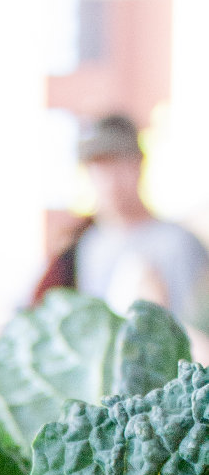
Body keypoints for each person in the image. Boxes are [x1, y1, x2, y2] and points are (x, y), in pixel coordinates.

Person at [33, 114, 209, 320]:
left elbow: (194, 335)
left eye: (120, 163)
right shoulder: (88, 245)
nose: (111, 179)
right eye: (101, 166)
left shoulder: (177, 244)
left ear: (140, 164)